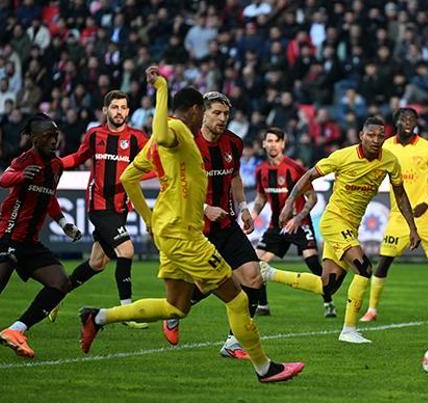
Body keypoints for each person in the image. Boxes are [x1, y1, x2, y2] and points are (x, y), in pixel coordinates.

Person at [78, 66, 303, 383]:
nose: (220, 119)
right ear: (197, 110)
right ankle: (265, 368)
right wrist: (161, 88)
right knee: (238, 298)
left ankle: (97, 317)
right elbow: (161, 134)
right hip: (186, 235)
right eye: (213, 113)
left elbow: (129, 178)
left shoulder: (170, 142)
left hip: (170, 231)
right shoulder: (178, 130)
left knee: (176, 307)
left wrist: (150, 220)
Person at [263, 116, 421, 344]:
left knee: (327, 286)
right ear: (361, 136)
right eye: (371, 135)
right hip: (334, 221)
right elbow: (309, 175)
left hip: (351, 226)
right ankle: (349, 330)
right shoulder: (343, 156)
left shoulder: (390, 161)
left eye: (380, 136)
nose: (376, 140)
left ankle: (268, 273)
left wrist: (412, 227)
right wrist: (289, 203)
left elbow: (400, 194)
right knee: (364, 269)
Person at [161, 91, 267, 360]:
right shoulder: (186, 143)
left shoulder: (234, 143)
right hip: (196, 227)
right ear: (202, 113)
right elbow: (173, 186)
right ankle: (174, 312)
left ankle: (234, 342)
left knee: (253, 277)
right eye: (216, 113)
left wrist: (243, 208)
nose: (222, 118)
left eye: (226, 114)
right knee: (212, 282)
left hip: (226, 224)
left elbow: (235, 177)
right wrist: (206, 208)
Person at [0, 113, 82, 358]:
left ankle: (15, 330)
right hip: (8, 236)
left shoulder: (56, 166)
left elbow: (49, 196)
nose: (54, 141)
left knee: (61, 283)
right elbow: (4, 179)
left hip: (30, 243)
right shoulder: (25, 160)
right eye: (48, 136)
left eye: (56, 135)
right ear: (35, 139)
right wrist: (22, 175)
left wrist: (63, 222)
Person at [359, 108, 428, 324]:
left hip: (427, 215)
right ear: (396, 122)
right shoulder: (386, 146)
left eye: (412, 119)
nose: (408, 122)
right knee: (383, 262)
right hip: (399, 216)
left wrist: (426, 202)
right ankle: (372, 310)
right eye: (404, 119)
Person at [51, 90, 150, 328]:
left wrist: (137, 177)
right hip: (98, 205)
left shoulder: (137, 138)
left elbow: (154, 164)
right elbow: (78, 157)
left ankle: (55, 295)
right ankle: (126, 312)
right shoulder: (95, 134)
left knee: (97, 262)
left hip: (120, 208)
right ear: (105, 110)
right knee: (127, 250)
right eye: (114, 107)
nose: (119, 112)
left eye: (123, 107)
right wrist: (54, 163)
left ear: (128, 111)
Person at [252, 127, 335, 317]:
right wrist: (253, 215)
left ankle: (328, 302)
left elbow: (312, 197)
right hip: (276, 226)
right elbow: (260, 198)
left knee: (312, 261)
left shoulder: (294, 168)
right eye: (269, 141)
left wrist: (298, 218)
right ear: (263, 144)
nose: (273, 145)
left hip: (300, 223)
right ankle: (263, 305)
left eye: (276, 141)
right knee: (255, 263)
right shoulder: (260, 170)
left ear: (283, 144)